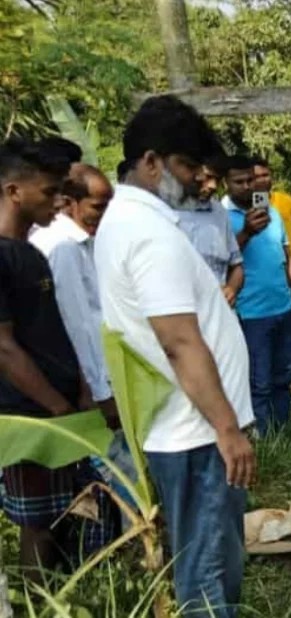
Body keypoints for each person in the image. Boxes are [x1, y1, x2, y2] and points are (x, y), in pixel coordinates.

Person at [95, 96, 255, 617]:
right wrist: (227, 428)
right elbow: (179, 341)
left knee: (211, 561)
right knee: (206, 574)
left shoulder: (131, 222)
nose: (196, 179)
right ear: (150, 162)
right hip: (198, 432)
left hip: (192, 427)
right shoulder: (147, 234)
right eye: (186, 166)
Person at [0, 138, 114, 582]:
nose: (59, 202)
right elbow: (4, 348)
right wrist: (59, 408)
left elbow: (58, 330)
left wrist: (81, 390)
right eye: (49, 192)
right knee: (39, 525)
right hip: (33, 418)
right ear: (13, 191)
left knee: (69, 512)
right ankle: (37, 603)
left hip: (61, 411)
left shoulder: (30, 251)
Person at [224, 155, 291, 436]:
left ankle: (283, 437)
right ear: (226, 183)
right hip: (250, 314)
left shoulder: (271, 212)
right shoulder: (220, 217)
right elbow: (220, 262)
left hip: (283, 309)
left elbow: (288, 261)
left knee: (283, 378)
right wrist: (246, 232)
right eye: (239, 181)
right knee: (258, 384)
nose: (247, 186)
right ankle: (263, 442)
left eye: (250, 180)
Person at [30, 164, 118, 424]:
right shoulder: (64, 246)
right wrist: (98, 390)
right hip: (89, 382)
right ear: (70, 203)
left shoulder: (83, 241)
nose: (103, 215)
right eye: (97, 207)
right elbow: (76, 323)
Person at [174, 161, 244, 306]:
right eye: (208, 176)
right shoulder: (166, 211)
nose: (213, 185)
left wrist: (231, 288)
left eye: (217, 179)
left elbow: (237, 267)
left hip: (219, 311)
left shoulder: (220, 212)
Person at [253, 157, 291, 265]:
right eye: (256, 177)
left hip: (290, 269)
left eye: (265, 175)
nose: (262, 180)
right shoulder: (243, 208)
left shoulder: (285, 200)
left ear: (271, 177)